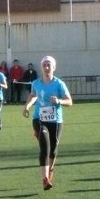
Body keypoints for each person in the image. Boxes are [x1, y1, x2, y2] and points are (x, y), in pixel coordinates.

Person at [22, 55, 72, 191]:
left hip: (56, 121)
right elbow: (33, 96)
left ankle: (50, 171)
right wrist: (27, 106)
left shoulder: (59, 84)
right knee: (45, 146)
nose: (46, 67)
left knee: (53, 150)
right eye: (44, 65)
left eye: (49, 65)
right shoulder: (36, 83)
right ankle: (45, 179)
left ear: (54, 67)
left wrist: (59, 101)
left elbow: (69, 101)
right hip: (39, 119)